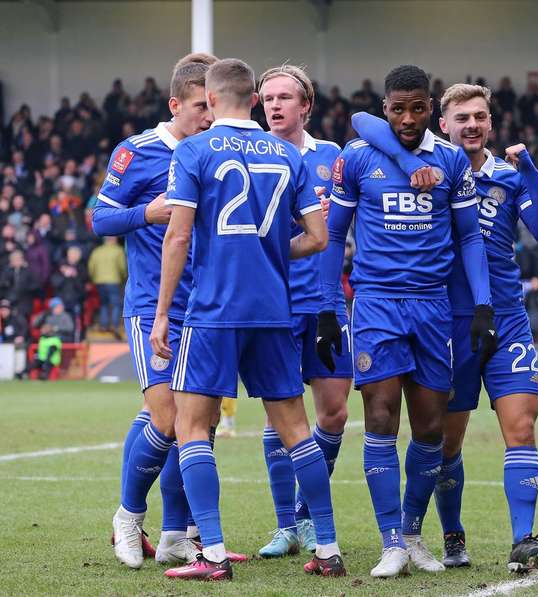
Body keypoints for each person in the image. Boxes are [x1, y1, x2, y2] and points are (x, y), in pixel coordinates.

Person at [352, 81, 538, 573]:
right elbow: (365, 124)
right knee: (445, 440)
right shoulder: (431, 169)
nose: (472, 125)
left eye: (480, 117)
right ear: (441, 124)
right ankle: (448, 534)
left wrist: (528, 171)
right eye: (462, 117)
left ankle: (524, 540)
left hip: (505, 318)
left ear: (489, 123)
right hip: (445, 321)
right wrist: (407, 164)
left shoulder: (507, 179)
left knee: (522, 426)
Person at [150, 58, 342, 581]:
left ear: (210, 100)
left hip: (212, 312)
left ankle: (210, 554)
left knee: (191, 428)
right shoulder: (287, 154)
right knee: (297, 431)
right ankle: (326, 546)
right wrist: (272, 250)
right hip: (275, 312)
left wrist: (163, 312)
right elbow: (320, 238)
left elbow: (179, 236)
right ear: (255, 99)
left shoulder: (193, 150)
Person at [316, 66, 496, 578]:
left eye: (418, 108)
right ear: (386, 106)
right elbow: (333, 236)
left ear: (431, 106)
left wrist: (482, 305)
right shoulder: (357, 158)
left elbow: (469, 238)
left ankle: (414, 534)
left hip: (433, 306)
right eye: (398, 108)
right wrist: (329, 308)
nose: (409, 118)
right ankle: (390, 540)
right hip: (375, 304)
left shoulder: (451, 160)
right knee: (378, 417)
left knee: (431, 428)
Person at [92, 53, 229, 570]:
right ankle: (128, 517)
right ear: (175, 105)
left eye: (213, 106)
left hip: (210, 304)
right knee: (167, 415)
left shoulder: (217, 151)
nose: (209, 117)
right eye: (200, 107)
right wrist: (144, 213)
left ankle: (176, 533)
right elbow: (100, 219)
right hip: (153, 304)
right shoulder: (138, 151)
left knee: (198, 421)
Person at [254, 63, 352, 557]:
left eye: (284, 97)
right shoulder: (254, 159)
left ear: (306, 106)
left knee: (333, 413)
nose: (274, 105)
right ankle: (286, 526)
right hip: (273, 305)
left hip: (326, 305)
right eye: (267, 97)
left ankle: (308, 516)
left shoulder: (333, 158)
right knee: (277, 418)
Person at [87, 236, 127, 336]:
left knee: (103, 304)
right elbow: (122, 267)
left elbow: (91, 267)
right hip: (114, 280)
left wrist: (94, 278)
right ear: (113, 240)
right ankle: (114, 325)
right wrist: (124, 277)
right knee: (116, 304)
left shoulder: (97, 251)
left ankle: (104, 325)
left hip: (99, 281)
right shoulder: (118, 250)